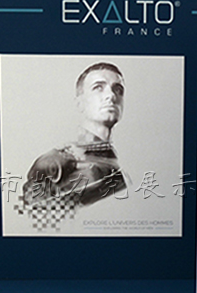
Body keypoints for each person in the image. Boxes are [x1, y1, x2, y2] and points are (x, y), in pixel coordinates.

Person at [22, 62, 128, 213]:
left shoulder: (122, 162)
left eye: (118, 89)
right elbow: (32, 217)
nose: (111, 96)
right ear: (80, 104)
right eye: (98, 88)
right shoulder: (56, 161)